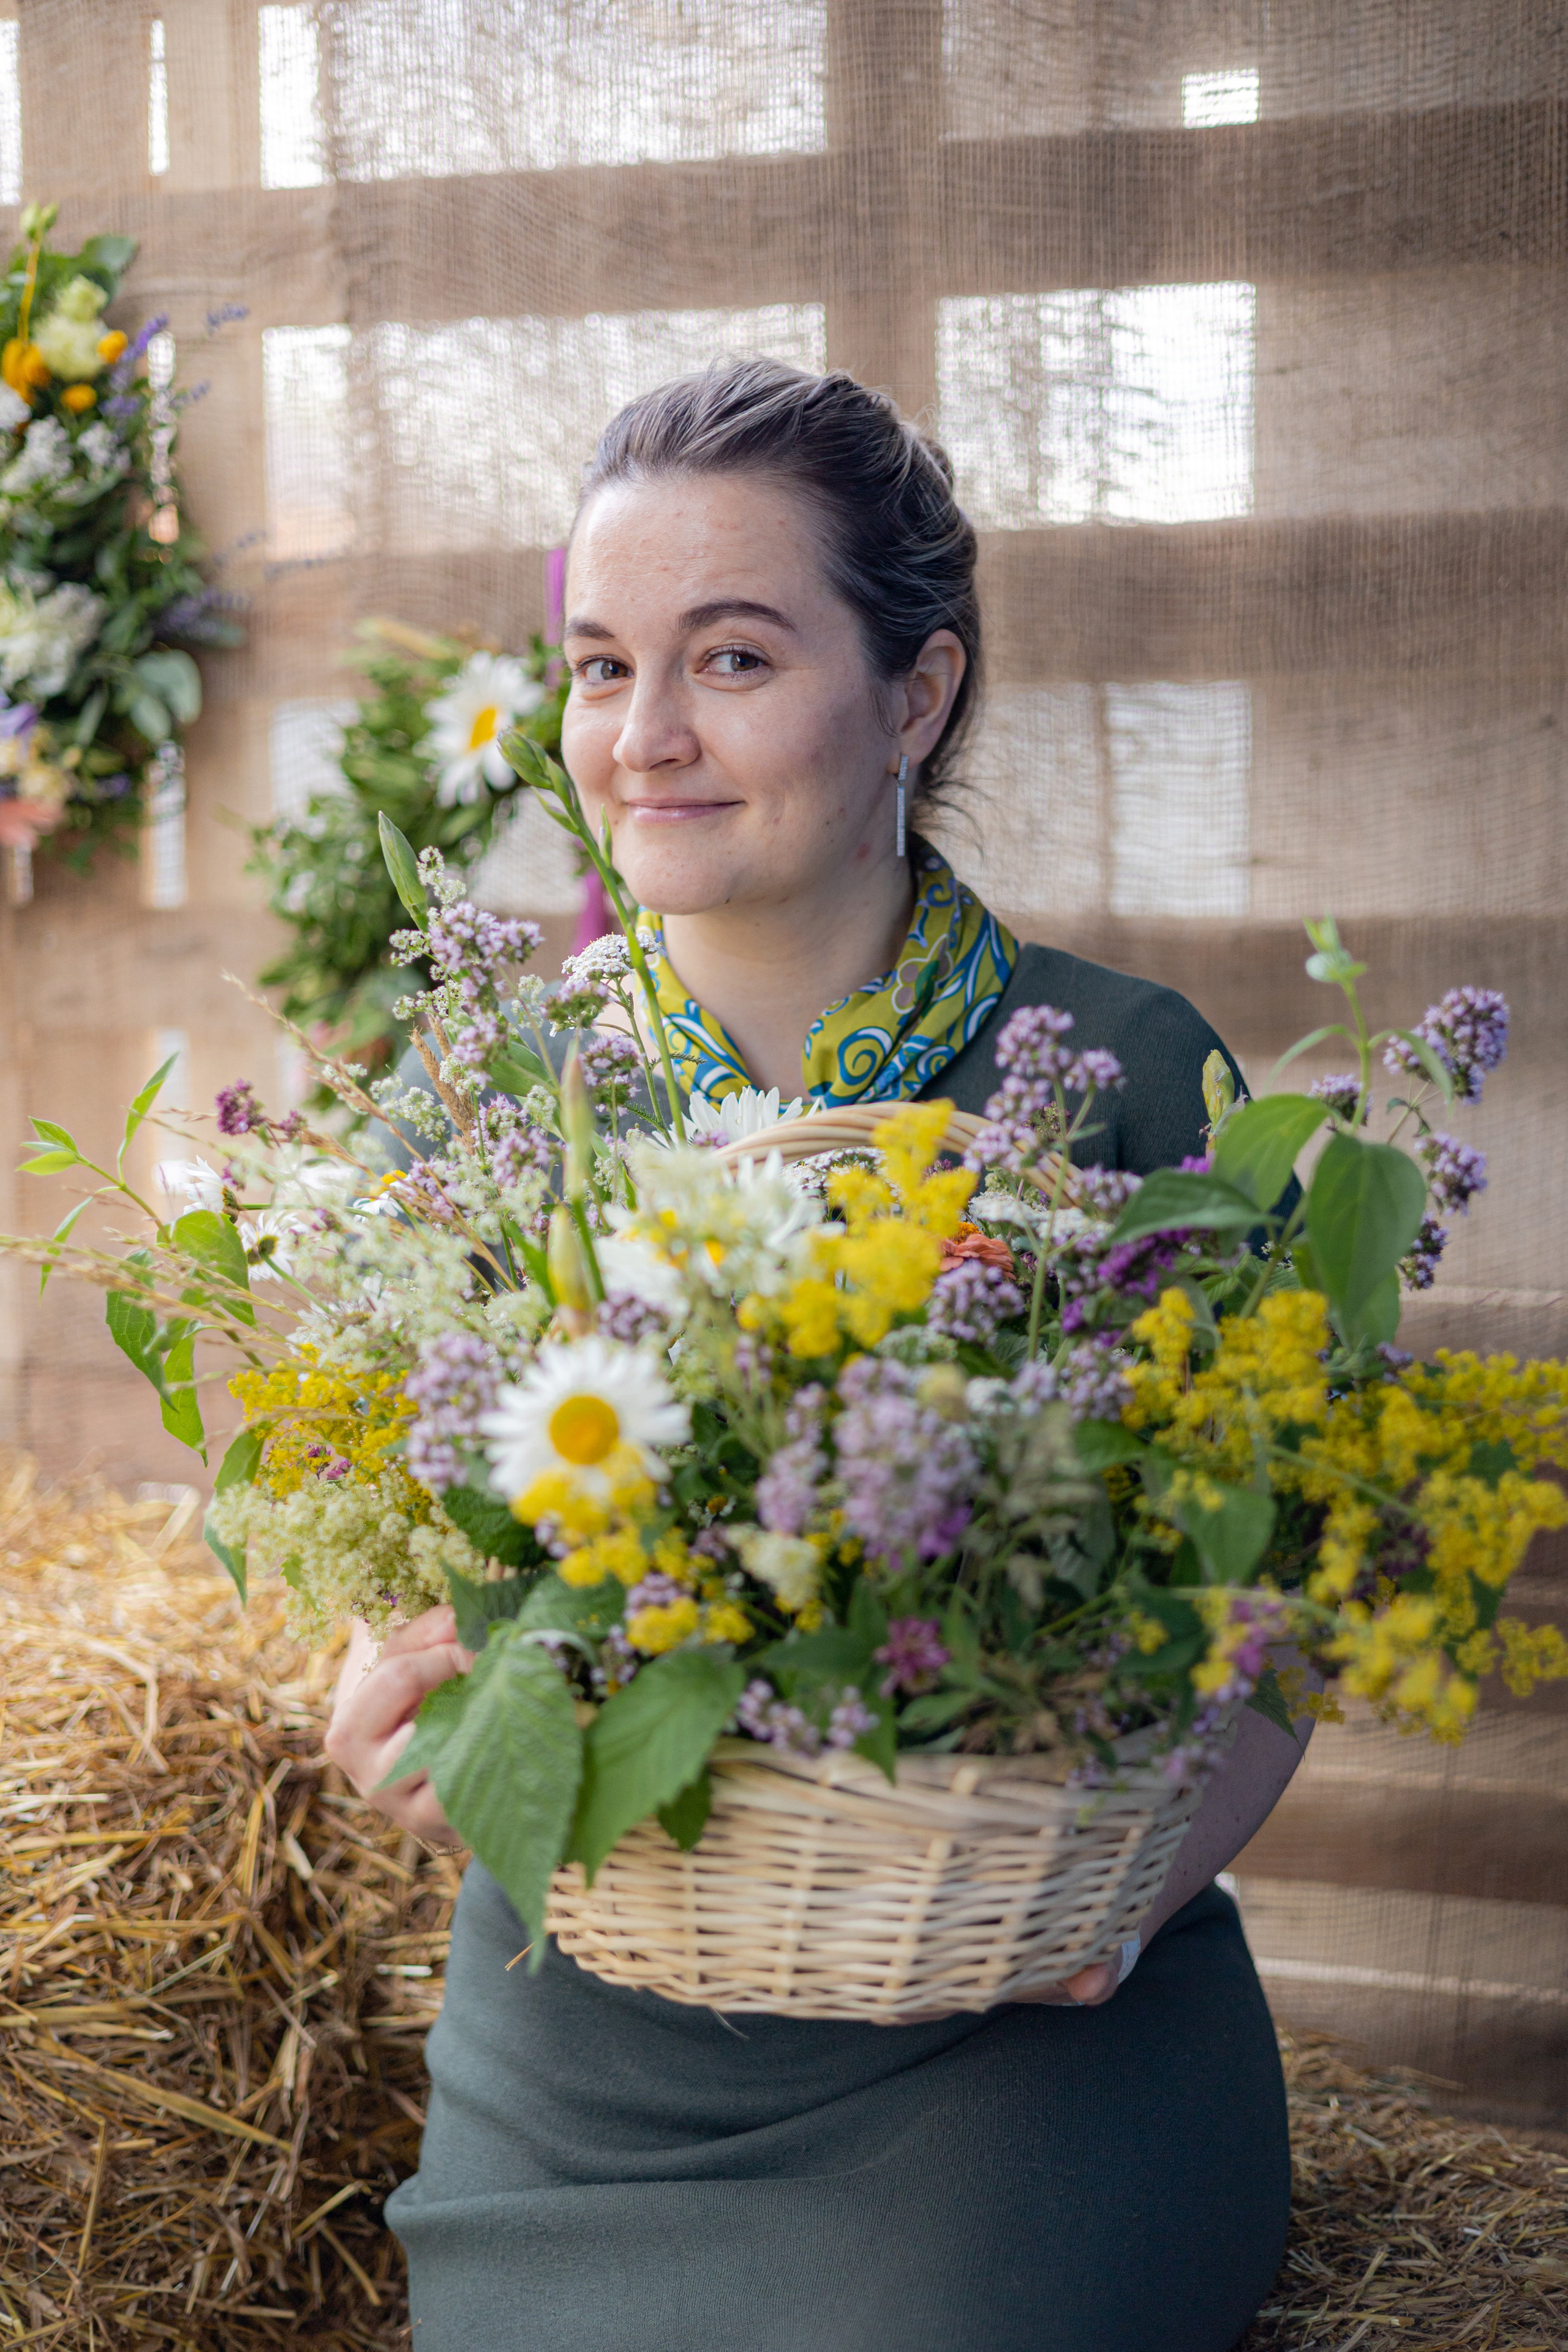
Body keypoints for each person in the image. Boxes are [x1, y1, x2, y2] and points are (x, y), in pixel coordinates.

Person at [328, 359, 1306, 2351]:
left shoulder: (1118, 1074)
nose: (649, 738)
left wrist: (1107, 1912)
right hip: (585, 2050)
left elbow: (1278, 1623)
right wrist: (399, 1717)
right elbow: (419, 1583)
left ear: (919, 694)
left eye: (737, 659)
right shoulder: (485, 1107)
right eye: (604, 669)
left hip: (1022, 2040)